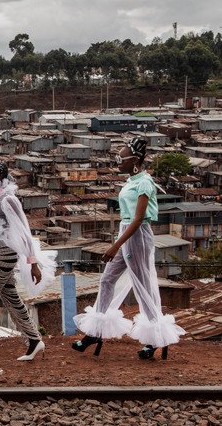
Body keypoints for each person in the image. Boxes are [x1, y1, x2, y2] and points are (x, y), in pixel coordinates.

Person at [72, 139, 184, 358]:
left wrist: (115, 245)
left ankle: (155, 339)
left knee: (143, 287)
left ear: (135, 161)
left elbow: (139, 218)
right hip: (126, 233)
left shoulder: (144, 182)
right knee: (107, 280)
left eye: (121, 159)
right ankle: (95, 332)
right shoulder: (132, 180)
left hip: (137, 235)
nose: (117, 163)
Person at [0, 160, 56, 361]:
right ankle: (34, 340)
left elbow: (23, 230)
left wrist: (33, 262)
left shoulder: (8, 200)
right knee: (11, 298)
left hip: (2, 253)